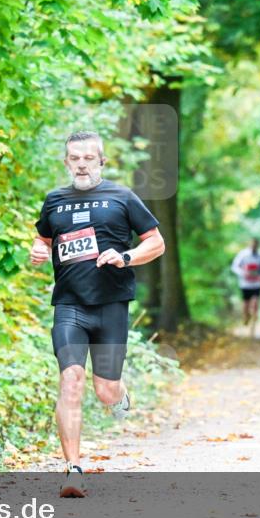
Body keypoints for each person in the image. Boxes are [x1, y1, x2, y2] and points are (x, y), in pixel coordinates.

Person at [30, 131, 165, 497]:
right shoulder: (54, 201)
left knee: (104, 391)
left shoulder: (121, 197)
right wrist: (38, 252)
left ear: (101, 161)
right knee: (70, 379)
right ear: (66, 162)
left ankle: (119, 397)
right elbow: (42, 240)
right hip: (70, 306)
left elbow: (156, 242)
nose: (82, 164)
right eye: (75, 158)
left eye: (89, 158)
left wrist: (125, 257)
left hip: (110, 306)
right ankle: (73, 469)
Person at [230, 239, 260, 331]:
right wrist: (243, 273)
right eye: (252, 245)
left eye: (255, 245)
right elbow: (234, 267)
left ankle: (254, 322)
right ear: (249, 244)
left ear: (257, 245)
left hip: (257, 283)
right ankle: (246, 315)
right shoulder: (242, 254)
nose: (254, 247)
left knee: (256, 302)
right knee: (246, 303)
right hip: (245, 284)